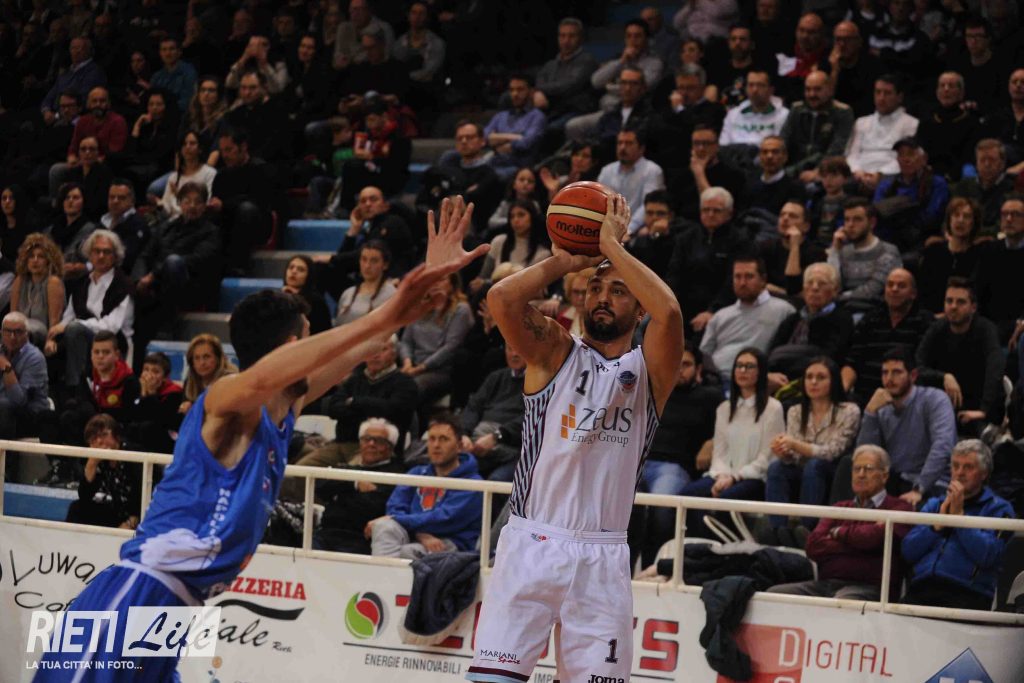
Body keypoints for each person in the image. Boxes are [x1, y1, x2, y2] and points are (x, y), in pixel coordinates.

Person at [34, 194, 487, 678]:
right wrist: (386, 314)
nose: (316, 350)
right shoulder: (227, 401)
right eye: (308, 338)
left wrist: (423, 286)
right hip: (137, 592)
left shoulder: (283, 408)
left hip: (178, 609)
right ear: (290, 347)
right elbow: (272, 373)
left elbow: (355, 352)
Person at [467, 193, 682, 683]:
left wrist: (613, 247)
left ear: (638, 308)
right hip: (533, 541)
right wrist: (566, 261)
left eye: (619, 290)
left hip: (604, 555)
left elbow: (669, 313)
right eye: (594, 288)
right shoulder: (553, 350)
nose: (602, 297)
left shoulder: (650, 372)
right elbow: (501, 299)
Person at [767, 445, 913, 600]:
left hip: (870, 588)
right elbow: (813, 546)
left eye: (868, 469)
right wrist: (862, 544)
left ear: (884, 476)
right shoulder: (839, 508)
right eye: (856, 469)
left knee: (842, 602)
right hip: (826, 584)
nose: (861, 474)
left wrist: (839, 533)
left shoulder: (899, 508)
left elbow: (875, 538)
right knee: (773, 595)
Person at [902, 440, 1014, 610]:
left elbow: (988, 555)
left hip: (967, 593)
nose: (960, 473)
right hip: (922, 587)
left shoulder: (999, 508)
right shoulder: (934, 504)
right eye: (955, 466)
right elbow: (908, 551)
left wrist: (959, 518)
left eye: (968, 467)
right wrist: (937, 525)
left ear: (984, 473)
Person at [636, 342, 721, 564]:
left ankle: (655, 567)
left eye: (686, 364)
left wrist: (712, 441)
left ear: (698, 369)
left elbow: (730, 426)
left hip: (674, 466)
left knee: (662, 509)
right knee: (624, 507)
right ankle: (622, 569)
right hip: (638, 462)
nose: (680, 369)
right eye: (676, 363)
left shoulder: (710, 397)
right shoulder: (654, 391)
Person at [678, 348, 785, 522]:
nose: (742, 370)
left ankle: (724, 541)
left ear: (761, 372)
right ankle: (697, 540)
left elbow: (767, 456)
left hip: (755, 477)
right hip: (723, 474)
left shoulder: (773, 408)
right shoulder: (724, 409)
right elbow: (719, 453)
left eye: (749, 366)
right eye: (739, 366)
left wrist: (735, 477)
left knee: (725, 499)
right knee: (687, 496)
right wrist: (722, 476)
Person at [367, 414, 483, 557]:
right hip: (416, 533)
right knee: (384, 526)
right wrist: (420, 534)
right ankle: (385, 571)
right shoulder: (417, 472)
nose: (436, 445)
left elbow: (444, 520)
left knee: (409, 552)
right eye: (432, 439)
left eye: (444, 439)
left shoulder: (473, 483)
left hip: (452, 543)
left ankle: (385, 571)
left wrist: (398, 520)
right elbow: (395, 507)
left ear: (459, 446)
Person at [766, 357, 861, 527]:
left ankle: (808, 527)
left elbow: (833, 452)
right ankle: (777, 528)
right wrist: (784, 452)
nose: (813, 382)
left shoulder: (849, 411)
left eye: (821, 377)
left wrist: (795, 445)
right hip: (802, 469)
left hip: (832, 471)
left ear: (834, 381)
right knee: (776, 467)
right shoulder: (795, 411)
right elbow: (794, 457)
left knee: (814, 465)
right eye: (809, 377)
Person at [856, 347, 957, 505]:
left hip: (932, 484)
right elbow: (865, 454)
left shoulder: (935, 399)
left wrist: (919, 489)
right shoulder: (880, 406)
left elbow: (943, 447)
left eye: (896, 372)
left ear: (913, 375)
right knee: (848, 465)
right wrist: (870, 412)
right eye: (885, 373)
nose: (889, 379)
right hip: (894, 481)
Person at [47, 230, 134, 393]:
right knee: (52, 343)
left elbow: (111, 327)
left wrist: (73, 325)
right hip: (81, 337)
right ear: (89, 254)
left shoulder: (123, 284)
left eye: (106, 252)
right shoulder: (81, 282)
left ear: (115, 256)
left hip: (114, 341)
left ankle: (76, 389)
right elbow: (69, 316)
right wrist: (54, 336)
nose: (101, 256)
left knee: (74, 329)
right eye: (96, 251)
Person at [916, 278, 1005, 435]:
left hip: (977, 408)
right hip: (943, 407)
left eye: (961, 302)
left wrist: (984, 410)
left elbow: (995, 369)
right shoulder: (937, 329)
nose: (953, 307)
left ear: (973, 307)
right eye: (949, 301)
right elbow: (918, 366)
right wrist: (944, 376)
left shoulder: (986, 330)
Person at [315, 417, 406, 554]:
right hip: (326, 533)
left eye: (379, 441)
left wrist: (340, 493)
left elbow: (372, 505)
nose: (371, 444)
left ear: (390, 447)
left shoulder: (397, 474)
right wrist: (355, 484)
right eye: (366, 439)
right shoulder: (349, 468)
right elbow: (320, 486)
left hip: (360, 538)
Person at [700, 256, 795, 382]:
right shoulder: (720, 316)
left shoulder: (784, 310)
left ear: (763, 280)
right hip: (715, 379)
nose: (742, 283)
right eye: (737, 277)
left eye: (749, 276)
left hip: (756, 379)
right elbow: (704, 354)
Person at [399, 272, 473, 419]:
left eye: (442, 279)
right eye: (433, 279)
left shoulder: (461, 310)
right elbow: (406, 341)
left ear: (452, 284)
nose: (436, 283)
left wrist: (421, 368)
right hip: (412, 366)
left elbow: (451, 347)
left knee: (411, 387)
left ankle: (408, 430)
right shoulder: (420, 306)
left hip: (441, 370)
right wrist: (407, 363)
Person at [459, 344, 526, 482]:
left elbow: (532, 418)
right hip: (477, 438)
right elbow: (473, 407)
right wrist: (464, 434)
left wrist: (497, 436)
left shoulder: (540, 382)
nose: (514, 354)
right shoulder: (496, 377)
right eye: (510, 349)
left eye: (519, 349)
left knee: (496, 481)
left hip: (512, 445)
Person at [871, 138, 950, 254]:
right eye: (901, 155)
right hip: (888, 237)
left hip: (921, 237)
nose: (905, 159)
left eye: (911, 154)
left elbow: (932, 215)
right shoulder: (886, 185)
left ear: (924, 158)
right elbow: (875, 211)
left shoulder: (936, 183)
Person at [65, 414, 142, 530]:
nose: (99, 441)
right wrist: (91, 465)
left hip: (137, 514)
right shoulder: (100, 459)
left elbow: (144, 495)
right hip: (115, 510)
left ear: (116, 435)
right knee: (76, 508)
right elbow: (85, 497)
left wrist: (131, 521)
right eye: (94, 437)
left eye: (104, 435)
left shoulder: (133, 455)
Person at [844, 75, 919, 191]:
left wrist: (880, 174)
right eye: (878, 92)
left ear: (899, 97)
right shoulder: (861, 122)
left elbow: (905, 158)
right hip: (859, 176)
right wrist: (858, 171)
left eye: (887, 93)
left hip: (891, 176)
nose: (881, 98)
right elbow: (852, 154)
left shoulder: (911, 123)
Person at [827, 198, 902, 312]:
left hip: (873, 312)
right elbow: (831, 285)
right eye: (847, 220)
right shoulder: (843, 251)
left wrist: (838, 297)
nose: (850, 225)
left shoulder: (888, 251)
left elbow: (872, 290)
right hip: (842, 310)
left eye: (857, 219)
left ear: (872, 223)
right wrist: (835, 251)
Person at [780, 71, 854, 182]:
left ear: (830, 90)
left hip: (825, 171)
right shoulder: (796, 109)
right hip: (793, 167)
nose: (812, 94)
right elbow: (783, 140)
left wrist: (818, 171)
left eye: (817, 89)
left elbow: (837, 148)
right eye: (808, 89)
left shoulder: (842, 112)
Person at [917, 198, 985, 314]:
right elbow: (923, 292)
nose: (960, 220)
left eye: (966, 216)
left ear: (974, 223)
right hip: (932, 317)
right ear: (949, 220)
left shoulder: (980, 255)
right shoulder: (933, 252)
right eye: (956, 215)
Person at [533, 18, 599, 132]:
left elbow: (570, 85)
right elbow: (539, 82)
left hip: (575, 111)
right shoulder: (550, 64)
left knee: (549, 130)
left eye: (571, 36)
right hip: (552, 109)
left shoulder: (587, 61)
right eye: (562, 36)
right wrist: (537, 92)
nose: (566, 40)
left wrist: (539, 90)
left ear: (580, 38)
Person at [471, 201, 551, 293]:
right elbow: (482, 278)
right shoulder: (499, 242)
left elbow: (536, 289)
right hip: (494, 295)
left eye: (521, 215)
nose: (515, 220)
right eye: (512, 216)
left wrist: (489, 283)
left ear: (533, 217)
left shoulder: (543, 253)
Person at [596, 128, 665, 234]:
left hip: (637, 230)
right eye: (620, 143)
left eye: (629, 143)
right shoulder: (607, 171)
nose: (622, 147)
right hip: (608, 229)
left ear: (641, 148)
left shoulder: (652, 170)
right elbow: (598, 202)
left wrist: (628, 230)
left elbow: (648, 206)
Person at [484, 75, 546, 178]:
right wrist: (515, 137)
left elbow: (525, 143)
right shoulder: (501, 115)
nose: (515, 94)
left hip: (518, 168)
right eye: (512, 90)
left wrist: (497, 139)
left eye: (520, 90)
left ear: (531, 92)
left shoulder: (537, 116)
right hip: (494, 162)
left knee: (488, 177)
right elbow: (485, 137)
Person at [10, 233, 64, 350]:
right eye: (31, 256)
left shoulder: (53, 282)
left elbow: (55, 320)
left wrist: (51, 340)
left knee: (24, 330)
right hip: (18, 329)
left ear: (49, 261)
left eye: (40, 257)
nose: (35, 260)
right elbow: (12, 314)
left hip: (40, 331)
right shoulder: (20, 280)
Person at [0, 312, 49, 440]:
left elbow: (19, 400)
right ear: (1, 333)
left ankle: (6, 453)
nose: (12, 337)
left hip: (31, 415)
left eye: (18, 332)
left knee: (4, 407)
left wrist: (6, 368)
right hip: (5, 410)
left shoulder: (35, 358)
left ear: (26, 334)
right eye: (8, 331)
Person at [951, 139, 1015, 234]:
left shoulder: (1012, 188)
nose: (987, 164)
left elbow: (1004, 225)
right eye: (982, 160)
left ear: (1002, 164)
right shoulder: (963, 186)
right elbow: (950, 217)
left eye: (992, 160)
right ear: (976, 164)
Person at [125, 351, 182, 454]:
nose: (149, 375)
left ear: (165, 377)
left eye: (155, 372)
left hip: (164, 442)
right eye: (146, 370)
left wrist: (151, 394)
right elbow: (134, 416)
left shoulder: (174, 394)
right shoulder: (135, 389)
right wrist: (143, 394)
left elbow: (160, 419)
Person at [334, 240, 398, 326]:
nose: (367, 266)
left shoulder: (391, 295)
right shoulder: (348, 294)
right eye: (364, 259)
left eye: (374, 261)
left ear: (385, 265)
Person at [719, 71, 788, 148]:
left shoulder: (784, 116)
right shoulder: (733, 114)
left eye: (760, 85)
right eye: (751, 85)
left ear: (771, 90)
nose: (755, 90)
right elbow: (724, 146)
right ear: (746, 89)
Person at [179, 334, 238, 416]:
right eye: (197, 358)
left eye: (206, 357)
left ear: (218, 359)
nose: (202, 363)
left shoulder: (230, 381)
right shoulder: (190, 383)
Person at [282, 255, 331, 335]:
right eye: (291, 267)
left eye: (301, 270)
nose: (294, 271)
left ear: (309, 276)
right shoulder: (277, 297)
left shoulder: (316, 302)